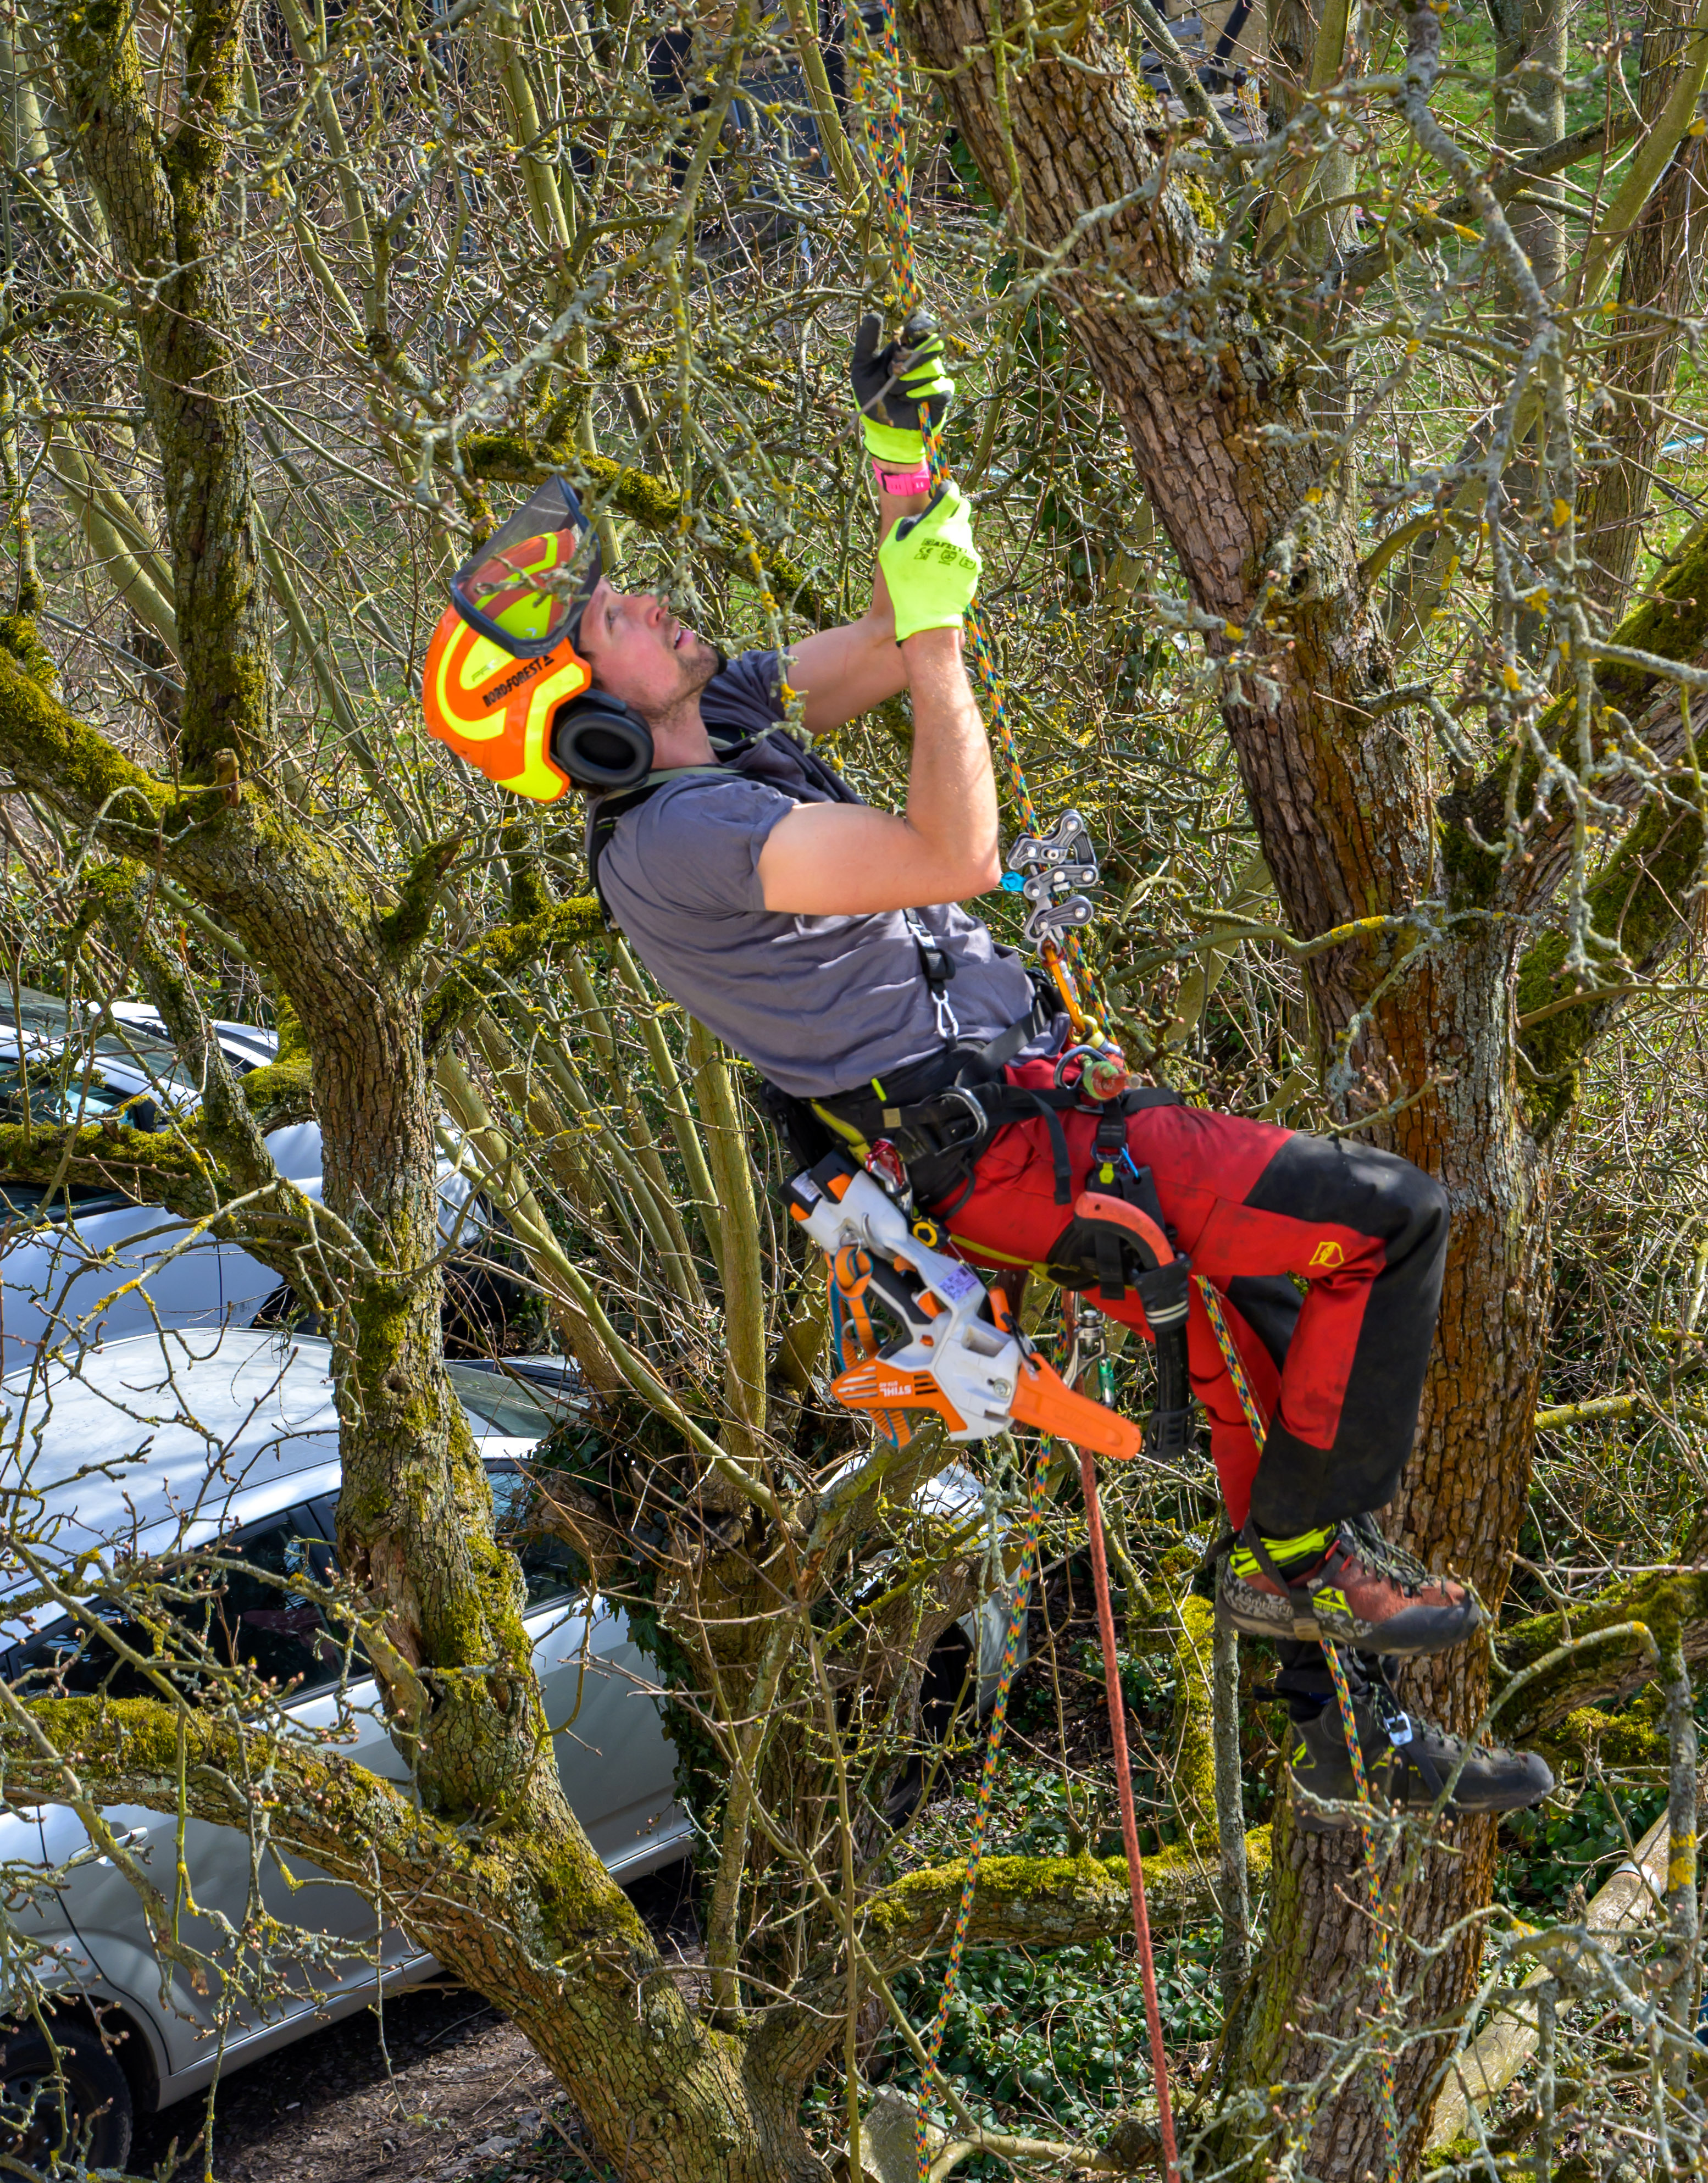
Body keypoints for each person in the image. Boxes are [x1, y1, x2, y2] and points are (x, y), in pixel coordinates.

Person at [421, 318, 1552, 1817]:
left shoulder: (738, 722)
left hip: (1035, 1098)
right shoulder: (679, 844)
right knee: (1387, 1218)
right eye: (610, 618)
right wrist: (943, 652)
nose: (642, 598)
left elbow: (901, 632)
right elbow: (950, 845)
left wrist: (905, 465)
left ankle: (1346, 1720)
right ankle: (1294, 1559)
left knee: (1274, 1325)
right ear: (596, 725)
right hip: (993, 1152)